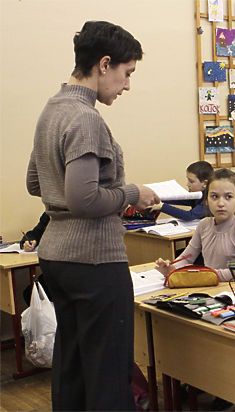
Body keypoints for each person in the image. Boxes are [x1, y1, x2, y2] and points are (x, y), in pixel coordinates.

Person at [25, 21, 160, 411]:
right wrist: (133, 193)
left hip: (57, 257)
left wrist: (65, 194)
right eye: (127, 73)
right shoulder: (86, 117)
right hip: (94, 260)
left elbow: (36, 183)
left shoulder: (52, 108)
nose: (127, 85)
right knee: (107, 369)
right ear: (104, 64)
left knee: (73, 365)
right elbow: (84, 199)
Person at [155, 168, 235, 282]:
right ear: (206, 200)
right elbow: (187, 258)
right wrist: (172, 268)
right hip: (209, 286)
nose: (221, 203)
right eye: (214, 196)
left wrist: (208, 275)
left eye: (228, 197)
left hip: (234, 292)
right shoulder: (204, 224)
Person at [149, 160, 213, 221]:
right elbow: (180, 199)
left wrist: (162, 206)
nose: (187, 184)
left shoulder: (210, 199)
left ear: (205, 183)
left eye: (191, 181)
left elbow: (189, 216)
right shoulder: (198, 194)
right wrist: (158, 198)